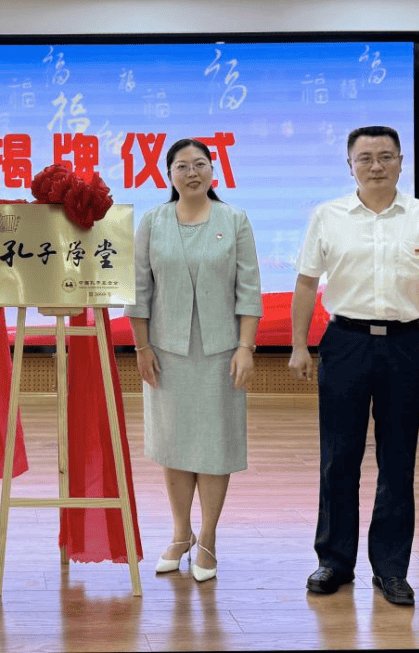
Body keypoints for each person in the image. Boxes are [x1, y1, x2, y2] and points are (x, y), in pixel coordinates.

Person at [289, 126, 419, 606]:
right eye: (365, 157)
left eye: (386, 156)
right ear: (349, 165)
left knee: (398, 459)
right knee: (338, 456)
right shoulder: (327, 216)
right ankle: (334, 561)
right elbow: (306, 282)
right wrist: (299, 346)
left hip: (406, 345)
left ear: (401, 162)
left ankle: (391, 569)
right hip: (344, 342)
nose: (376, 165)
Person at [125, 138, 262, 583]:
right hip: (166, 353)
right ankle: (180, 533)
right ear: (169, 175)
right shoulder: (153, 221)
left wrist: (246, 347)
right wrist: (142, 347)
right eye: (182, 166)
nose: (192, 172)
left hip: (222, 352)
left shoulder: (234, 219)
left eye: (200, 164)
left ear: (212, 171)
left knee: (215, 446)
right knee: (174, 443)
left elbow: (248, 289)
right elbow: (139, 290)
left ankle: (208, 537)